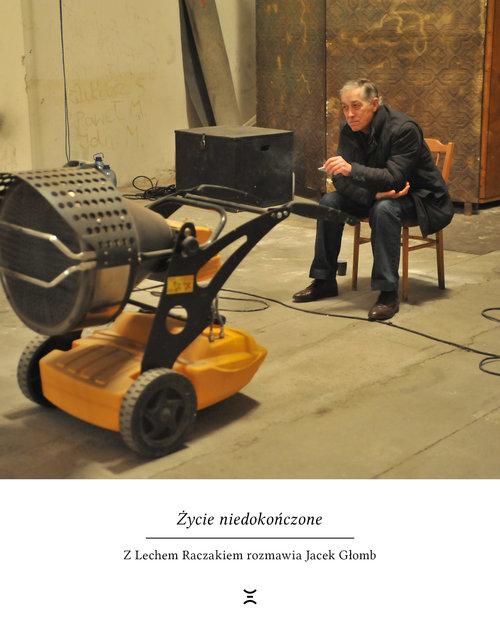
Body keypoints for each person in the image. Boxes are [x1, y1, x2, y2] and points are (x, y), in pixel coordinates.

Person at [293, 78, 454, 320]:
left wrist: (352, 169)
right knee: (329, 203)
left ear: (375, 104)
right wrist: (371, 194)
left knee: (384, 209)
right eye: (345, 107)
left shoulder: (404, 129)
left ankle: (388, 294)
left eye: (356, 106)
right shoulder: (349, 129)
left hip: (420, 197)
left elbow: (395, 178)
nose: (349, 114)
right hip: (378, 193)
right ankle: (324, 280)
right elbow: (340, 179)